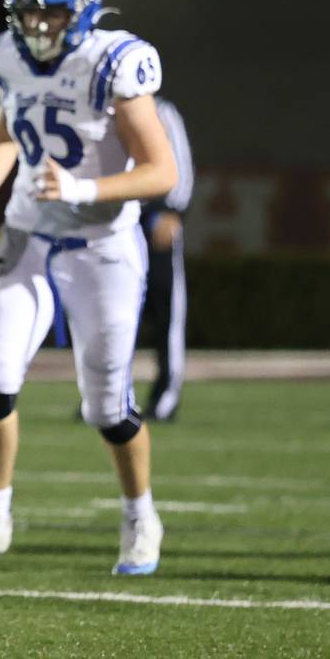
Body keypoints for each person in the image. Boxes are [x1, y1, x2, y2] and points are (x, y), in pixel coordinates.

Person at [0, 0, 178, 578]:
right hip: (27, 236)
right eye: (28, 15)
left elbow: (162, 170)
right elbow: (2, 136)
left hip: (102, 246)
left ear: (84, 9)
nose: (37, 28)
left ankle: (139, 517)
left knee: (106, 404)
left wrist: (80, 190)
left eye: (50, 16)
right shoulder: (5, 57)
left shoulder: (114, 62)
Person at [139, 98, 193, 421]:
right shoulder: (97, 107)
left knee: (166, 310)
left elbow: (181, 163)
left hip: (153, 221)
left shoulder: (161, 111)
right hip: (114, 222)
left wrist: (172, 210)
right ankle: (108, 396)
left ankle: (165, 397)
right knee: (110, 313)